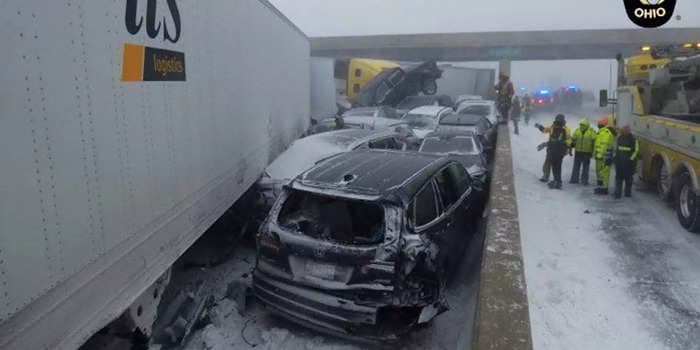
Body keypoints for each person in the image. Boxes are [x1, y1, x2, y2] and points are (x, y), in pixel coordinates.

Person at [536, 114, 572, 189]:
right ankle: (548, 177)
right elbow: (545, 130)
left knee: (556, 166)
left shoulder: (566, 129)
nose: (558, 122)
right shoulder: (553, 126)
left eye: (559, 120)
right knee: (549, 163)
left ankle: (557, 181)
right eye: (557, 120)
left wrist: (567, 147)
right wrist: (539, 127)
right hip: (551, 149)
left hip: (559, 150)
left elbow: (569, 140)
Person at [614, 125, 639, 199]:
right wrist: (615, 158)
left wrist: (631, 159)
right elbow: (616, 149)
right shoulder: (619, 138)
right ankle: (618, 194)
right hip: (621, 163)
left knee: (627, 179)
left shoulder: (633, 139)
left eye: (624, 130)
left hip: (628, 163)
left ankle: (626, 193)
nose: (623, 131)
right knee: (620, 179)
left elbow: (636, 150)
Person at [569, 118, 596, 185]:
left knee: (584, 167)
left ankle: (583, 180)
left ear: (587, 125)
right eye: (581, 125)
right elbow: (573, 140)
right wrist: (571, 146)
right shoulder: (578, 131)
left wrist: (593, 152)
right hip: (578, 151)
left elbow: (594, 142)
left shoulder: (591, 132)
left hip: (586, 152)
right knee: (577, 166)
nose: (582, 126)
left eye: (583, 125)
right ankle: (576, 179)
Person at [594, 116, 615, 195]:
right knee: (599, 171)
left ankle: (604, 188)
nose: (598, 125)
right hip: (600, 157)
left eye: (599, 123)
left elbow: (604, 145)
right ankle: (601, 186)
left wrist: (599, 154)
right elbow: (597, 144)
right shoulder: (600, 132)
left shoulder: (606, 133)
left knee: (605, 173)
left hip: (605, 157)